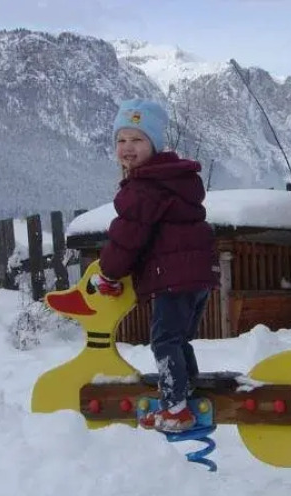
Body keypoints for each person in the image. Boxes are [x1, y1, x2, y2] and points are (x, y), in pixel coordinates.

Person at [92, 98, 218, 433]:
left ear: (154, 144)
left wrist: (109, 273)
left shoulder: (145, 188)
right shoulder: (173, 179)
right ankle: (186, 394)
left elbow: (127, 237)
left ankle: (176, 409)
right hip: (198, 273)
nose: (127, 147)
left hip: (175, 276)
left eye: (137, 139)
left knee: (164, 341)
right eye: (121, 140)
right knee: (178, 339)